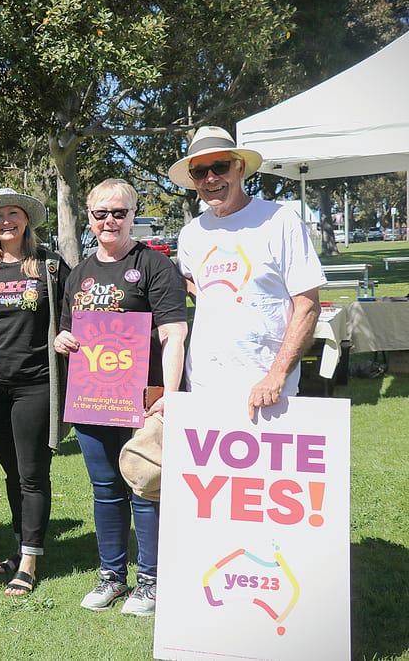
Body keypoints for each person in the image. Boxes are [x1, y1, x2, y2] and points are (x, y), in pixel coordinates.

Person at [53, 179, 188, 616]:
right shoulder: (80, 272)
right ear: (88, 217)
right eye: (100, 213)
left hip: (143, 397)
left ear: (134, 214)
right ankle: (112, 576)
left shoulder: (154, 265)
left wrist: (169, 392)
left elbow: (173, 333)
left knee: (146, 485)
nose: (109, 221)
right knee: (106, 488)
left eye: (119, 213)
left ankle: (151, 581)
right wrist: (64, 340)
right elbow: (67, 328)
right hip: (93, 398)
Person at [168, 126, 325, 419]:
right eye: (200, 171)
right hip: (204, 385)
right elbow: (194, 285)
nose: (210, 178)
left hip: (266, 389)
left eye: (219, 166)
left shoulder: (279, 221)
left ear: (239, 168)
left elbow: (307, 305)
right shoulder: (191, 234)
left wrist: (276, 376)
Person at [0, 188, 70, 596]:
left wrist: (67, 335)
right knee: (12, 473)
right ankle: (21, 545)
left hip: (36, 384)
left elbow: (71, 313)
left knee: (31, 474)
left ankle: (29, 560)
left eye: (13, 213)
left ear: (26, 219)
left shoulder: (50, 266)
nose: (6, 221)